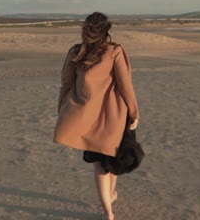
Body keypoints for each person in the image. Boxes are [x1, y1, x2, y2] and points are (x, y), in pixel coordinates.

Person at [53, 12, 140, 220]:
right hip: (114, 117)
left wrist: (62, 109)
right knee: (111, 159)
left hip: (86, 118)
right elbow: (125, 85)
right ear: (106, 30)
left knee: (100, 166)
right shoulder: (114, 51)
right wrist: (134, 112)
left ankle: (108, 209)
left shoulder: (76, 52)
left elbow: (66, 83)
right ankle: (109, 203)